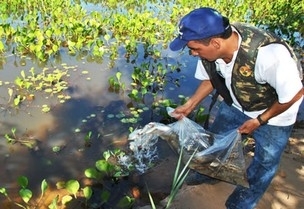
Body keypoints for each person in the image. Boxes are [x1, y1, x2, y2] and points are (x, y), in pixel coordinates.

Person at [169, 7, 303, 209]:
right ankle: (210, 175)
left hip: (275, 115)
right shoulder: (209, 53)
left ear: (215, 43)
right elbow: (210, 79)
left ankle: (241, 204)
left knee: (264, 164)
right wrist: (189, 105)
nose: (192, 53)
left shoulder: (268, 55)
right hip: (236, 103)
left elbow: (294, 93)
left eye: (195, 48)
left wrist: (260, 121)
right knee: (217, 143)